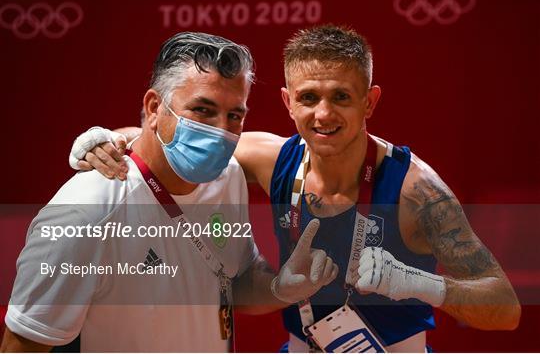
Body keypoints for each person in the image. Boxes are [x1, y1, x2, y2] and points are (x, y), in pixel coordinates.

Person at [64, 25, 521, 352]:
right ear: (287, 101)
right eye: (308, 98)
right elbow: (175, 138)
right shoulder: (272, 156)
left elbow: (505, 310)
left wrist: (419, 284)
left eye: (341, 96)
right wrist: (109, 138)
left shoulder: (414, 190)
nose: (323, 115)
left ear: (370, 100)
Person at [1, 32, 339, 352]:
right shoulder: (87, 213)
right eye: (202, 110)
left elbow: (234, 281)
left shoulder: (227, 177)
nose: (220, 131)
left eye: (234, 115)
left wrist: (280, 288)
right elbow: (23, 345)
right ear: (153, 108)